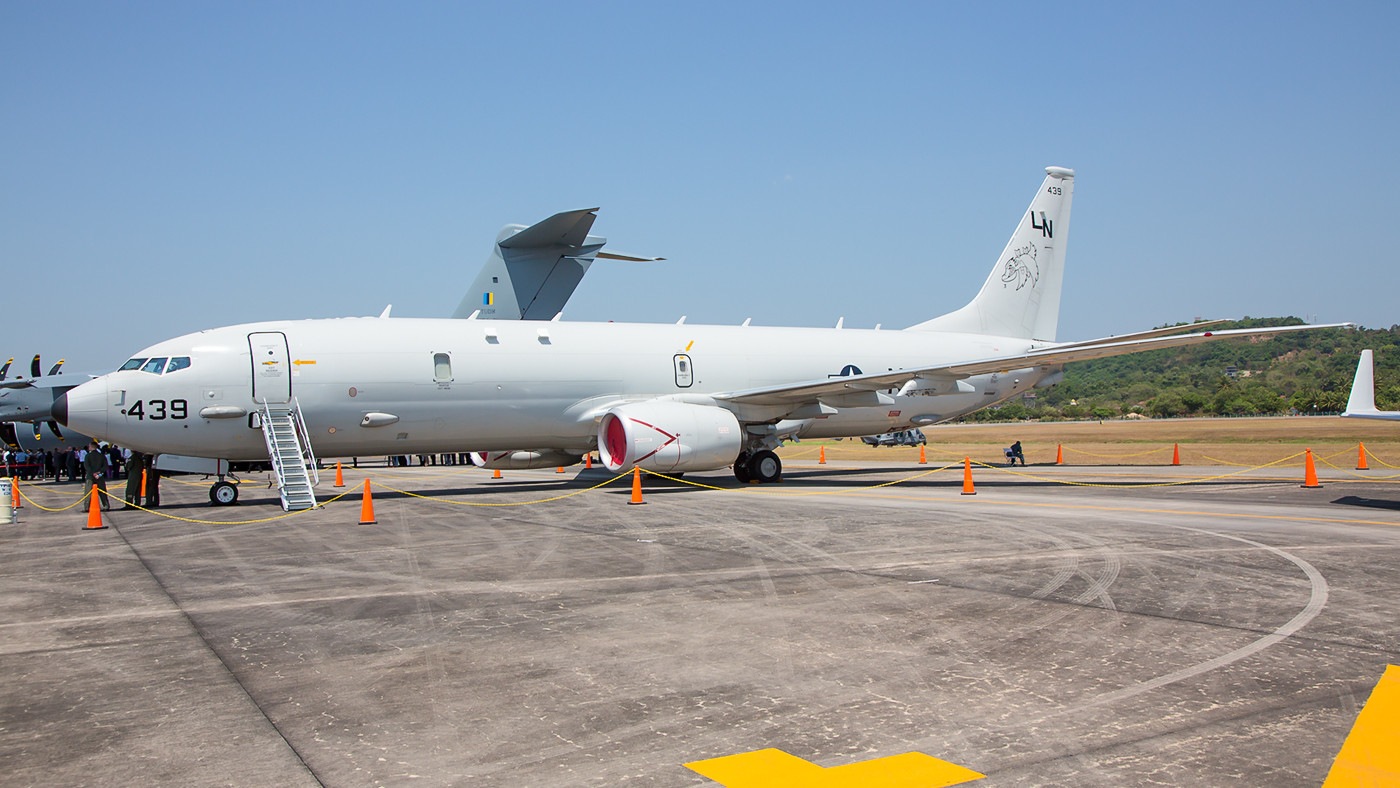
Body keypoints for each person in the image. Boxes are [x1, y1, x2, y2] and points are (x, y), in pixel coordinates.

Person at [83, 443, 111, 510]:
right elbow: (105, 466)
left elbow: (87, 466)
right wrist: (99, 472)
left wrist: (92, 473)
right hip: (99, 476)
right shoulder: (101, 456)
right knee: (102, 492)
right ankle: (106, 506)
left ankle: (87, 507)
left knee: (88, 492)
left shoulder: (88, 456)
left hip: (90, 476)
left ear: (91, 447)